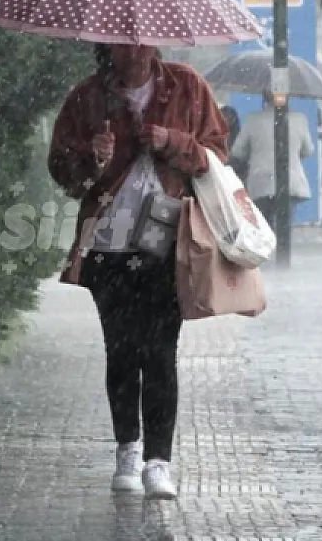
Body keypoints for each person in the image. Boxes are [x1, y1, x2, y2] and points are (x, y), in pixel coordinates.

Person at [47, 43, 229, 500]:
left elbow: (217, 157)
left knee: (161, 352)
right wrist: (92, 157)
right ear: (107, 45)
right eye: (123, 40)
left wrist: (175, 143)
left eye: (141, 38)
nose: (134, 48)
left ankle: (158, 462)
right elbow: (63, 172)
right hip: (109, 246)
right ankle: (127, 449)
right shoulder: (87, 98)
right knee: (122, 351)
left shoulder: (186, 85)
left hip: (169, 244)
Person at [228, 90, 314, 233]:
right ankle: (283, 251)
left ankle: (269, 248)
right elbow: (308, 150)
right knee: (284, 223)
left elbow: (238, 152)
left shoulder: (253, 119)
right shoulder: (299, 119)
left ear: (264, 98)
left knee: (264, 224)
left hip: (260, 180)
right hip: (290, 179)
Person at [220, 105, 247, 182]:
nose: (224, 120)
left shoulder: (240, 138)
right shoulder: (213, 137)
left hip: (235, 177)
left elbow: (240, 158)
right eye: (221, 117)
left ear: (233, 119)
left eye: (227, 117)